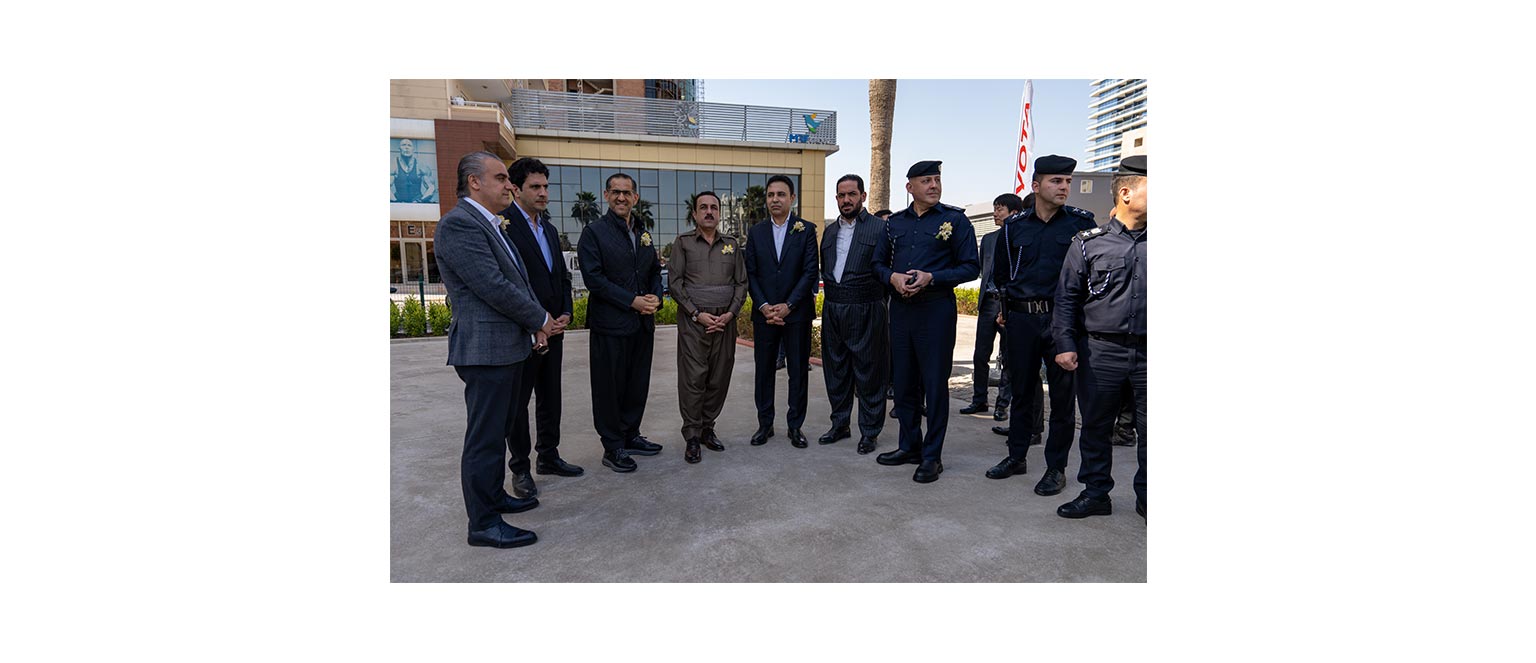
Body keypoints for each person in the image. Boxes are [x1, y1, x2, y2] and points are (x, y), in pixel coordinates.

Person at [434, 151, 559, 549]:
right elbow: (492, 286)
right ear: (474, 182)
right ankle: (484, 523)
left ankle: (494, 498)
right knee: (485, 440)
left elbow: (517, 282)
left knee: (499, 431)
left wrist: (533, 326)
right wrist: (540, 319)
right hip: (484, 350)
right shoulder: (459, 225)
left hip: (506, 347)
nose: (509, 185)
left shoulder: (489, 224)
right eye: (501, 178)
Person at [989, 155, 1097, 497]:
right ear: (1036, 186)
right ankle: (1016, 456)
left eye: (1067, 182)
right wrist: (1005, 311)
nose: (1064, 187)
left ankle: (1056, 468)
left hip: (1062, 321)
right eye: (1056, 181)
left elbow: (1091, 277)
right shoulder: (1014, 226)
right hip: (1021, 320)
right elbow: (1002, 275)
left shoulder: (1081, 224)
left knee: (1062, 399)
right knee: (1022, 391)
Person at [1052, 155, 1148, 519]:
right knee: (1095, 427)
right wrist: (1065, 345)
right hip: (1100, 352)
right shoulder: (1088, 243)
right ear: (1126, 193)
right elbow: (1067, 298)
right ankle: (1095, 494)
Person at [873, 160, 979, 483]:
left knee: (934, 385)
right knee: (903, 383)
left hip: (936, 311)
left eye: (936, 179)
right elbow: (877, 264)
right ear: (910, 188)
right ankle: (909, 446)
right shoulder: (894, 224)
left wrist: (932, 277)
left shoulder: (955, 220)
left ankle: (932, 456)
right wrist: (892, 278)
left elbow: (970, 267)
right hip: (901, 311)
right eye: (926, 181)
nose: (933, 185)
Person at [496, 158, 583, 500]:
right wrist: (537, 323)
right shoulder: (503, 226)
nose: (543, 192)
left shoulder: (547, 228)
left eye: (545, 186)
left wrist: (565, 312)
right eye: (535, 187)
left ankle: (548, 455)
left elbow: (560, 276)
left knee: (550, 396)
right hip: (523, 333)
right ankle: (520, 469)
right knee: (518, 405)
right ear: (516, 189)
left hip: (554, 330)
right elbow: (508, 284)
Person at [577, 172, 665, 473]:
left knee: (636, 384)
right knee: (609, 388)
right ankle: (612, 446)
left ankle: (630, 435)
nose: (621, 197)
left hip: (642, 326)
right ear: (606, 195)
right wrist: (632, 301)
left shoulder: (643, 232)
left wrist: (655, 297)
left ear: (635, 198)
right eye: (615, 192)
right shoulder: (594, 233)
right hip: (610, 326)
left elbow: (654, 271)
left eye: (627, 193)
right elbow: (594, 279)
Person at [669, 191, 747, 464]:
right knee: (693, 378)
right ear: (695, 213)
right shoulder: (683, 243)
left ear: (719, 213)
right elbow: (675, 283)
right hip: (694, 322)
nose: (709, 211)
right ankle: (692, 435)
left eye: (714, 207)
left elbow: (741, 283)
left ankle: (707, 428)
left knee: (719, 376)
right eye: (703, 207)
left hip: (724, 322)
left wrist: (730, 314)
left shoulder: (731, 244)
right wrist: (696, 313)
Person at [745, 175, 819, 448]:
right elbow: (751, 273)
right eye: (770, 195)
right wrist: (764, 306)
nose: (775, 199)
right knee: (764, 372)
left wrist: (789, 305)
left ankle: (795, 426)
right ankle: (765, 425)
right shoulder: (756, 232)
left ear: (792, 198)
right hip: (764, 315)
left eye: (781, 194)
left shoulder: (806, 230)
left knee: (797, 372)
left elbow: (810, 272)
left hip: (796, 314)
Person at [818, 174, 888, 454]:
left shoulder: (880, 229)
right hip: (833, 308)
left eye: (851, 194)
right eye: (841, 195)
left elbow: (888, 270)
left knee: (869, 372)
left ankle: (869, 432)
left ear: (863, 196)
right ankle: (840, 424)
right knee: (835, 370)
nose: (846, 200)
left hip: (867, 307)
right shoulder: (829, 231)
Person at [963, 193, 1022, 419]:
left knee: (1008, 357)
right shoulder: (988, 239)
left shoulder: (1021, 238)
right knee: (980, 354)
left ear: (1014, 213)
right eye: (995, 208)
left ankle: (1002, 405)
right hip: (988, 301)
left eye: (1000, 209)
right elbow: (982, 269)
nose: (995, 213)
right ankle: (979, 399)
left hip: (1010, 305)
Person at [391, 138, 437, 203]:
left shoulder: (421, 165)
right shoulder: (393, 166)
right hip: (399, 201)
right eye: (403, 145)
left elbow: (431, 187)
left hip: (417, 201)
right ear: (399, 148)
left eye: (409, 145)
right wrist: (395, 201)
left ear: (413, 149)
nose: (406, 148)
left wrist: (420, 200)